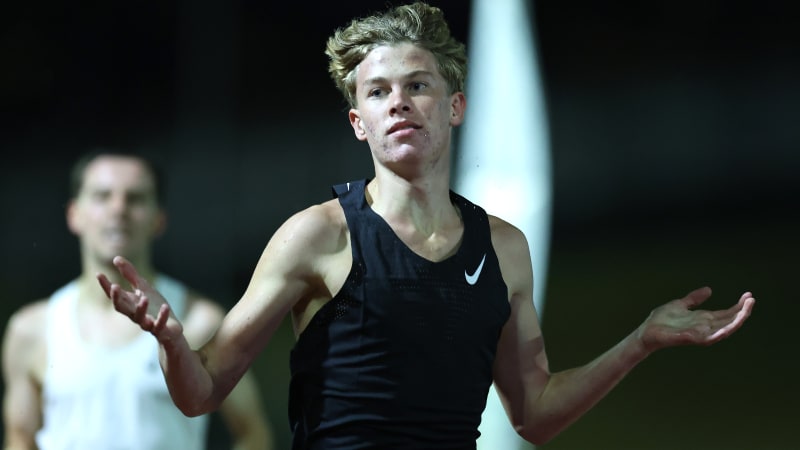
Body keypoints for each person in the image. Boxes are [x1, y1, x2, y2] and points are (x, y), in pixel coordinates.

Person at [94, 2, 755, 449]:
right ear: (359, 123)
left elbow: (534, 414)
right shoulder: (320, 236)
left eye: (418, 85)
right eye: (377, 92)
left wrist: (639, 341)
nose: (399, 103)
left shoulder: (504, 247)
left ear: (456, 105)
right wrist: (174, 344)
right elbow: (201, 392)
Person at [1, 150, 275, 450]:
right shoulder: (32, 329)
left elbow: (253, 433)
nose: (118, 208)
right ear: (73, 215)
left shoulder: (200, 320)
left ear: (159, 219)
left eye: (135, 198)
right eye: (102, 196)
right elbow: (20, 440)